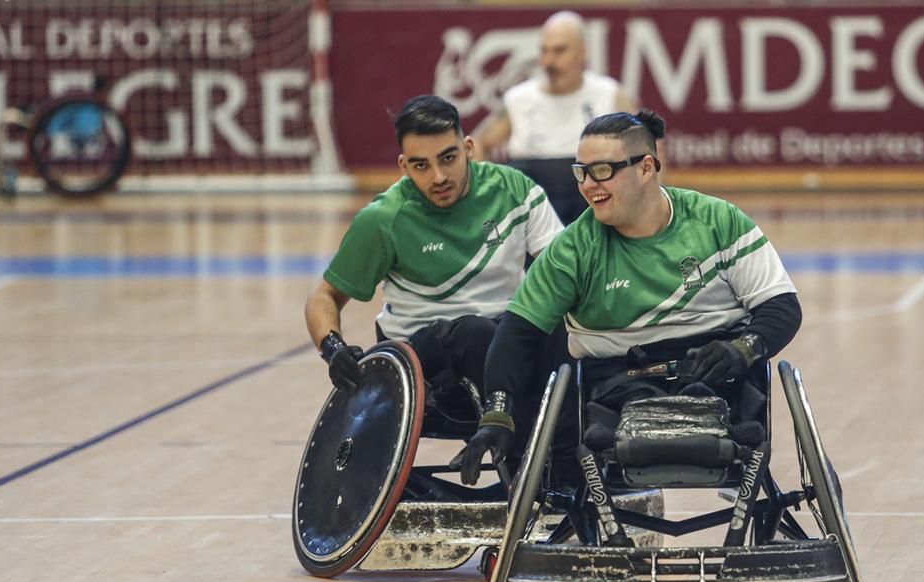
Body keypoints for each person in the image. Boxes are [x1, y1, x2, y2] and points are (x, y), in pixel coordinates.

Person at [452, 110, 802, 485]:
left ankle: (699, 406)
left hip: (715, 373)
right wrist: (497, 416)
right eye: (581, 172)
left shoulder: (718, 221)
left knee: (723, 389)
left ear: (646, 167)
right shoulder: (571, 248)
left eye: (602, 170)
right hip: (617, 387)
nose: (588, 185)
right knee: (608, 405)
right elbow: (517, 333)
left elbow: (781, 307)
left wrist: (742, 349)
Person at [304, 94, 564, 427]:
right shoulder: (383, 219)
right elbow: (324, 296)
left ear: (468, 148)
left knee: (560, 328)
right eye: (421, 165)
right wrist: (333, 348)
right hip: (423, 360)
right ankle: (523, 457)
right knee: (475, 333)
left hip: (505, 340)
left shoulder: (515, 190)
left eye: (448, 158)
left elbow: (561, 276)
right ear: (403, 166)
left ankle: (566, 454)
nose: (439, 176)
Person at [473, 11, 637, 225]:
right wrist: (485, 197)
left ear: (582, 52)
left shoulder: (610, 94)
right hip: (530, 209)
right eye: (544, 51)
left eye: (559, 51)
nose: (549, 61)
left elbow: (647, 148)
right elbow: (477, 143)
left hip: (593, 207)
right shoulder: (518, 99)